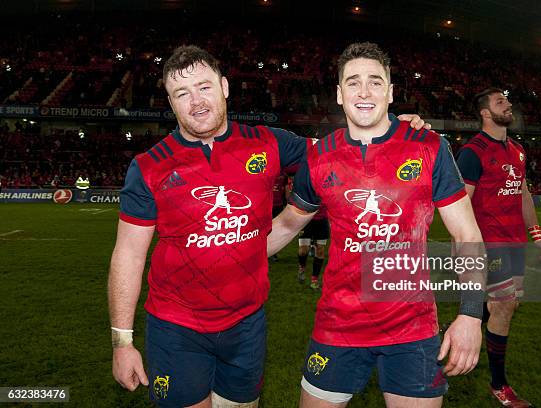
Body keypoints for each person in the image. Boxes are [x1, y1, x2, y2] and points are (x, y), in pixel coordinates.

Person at [108, 45, 429, 408]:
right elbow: (129, 255)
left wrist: (391, 128)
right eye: (182, 93)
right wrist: (123, 341)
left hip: (247, 324)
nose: (196, 101)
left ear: (225, 87)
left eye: (205, 87)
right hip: (177, 327)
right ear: (170, 101)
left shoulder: (267, 142)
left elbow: (340, 149)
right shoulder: (150, 167)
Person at [268, 42, 486, 408]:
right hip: (337, 325)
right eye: (353, 82)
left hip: (412, 328)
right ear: (339, 94)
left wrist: (470, 314)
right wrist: (230, 255)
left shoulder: (430, 146)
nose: (364, 92)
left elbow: (467, 234)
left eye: (374, 81)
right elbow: (288, 225)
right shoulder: (320, 156)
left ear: (390, 91)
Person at [456, 87, 541, 408]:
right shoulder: (473, 151)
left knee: (508, 305)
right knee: (504, 306)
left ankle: (461, 323)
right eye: (500, 102)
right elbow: (461, 203)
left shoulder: (519, 150)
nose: (508, 105)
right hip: (489, 243)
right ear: (485, 112)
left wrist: (537, 235)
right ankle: (499, 385)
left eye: (508, 101)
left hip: (515, 243)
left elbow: (523, 194)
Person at [297, 204, 329, 289]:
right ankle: (302, 267)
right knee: (303, 250)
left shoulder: (326, 189)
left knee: (320, 250)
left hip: (322, 220)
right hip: (306, 219)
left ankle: (314, 280)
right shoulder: (304, 189)